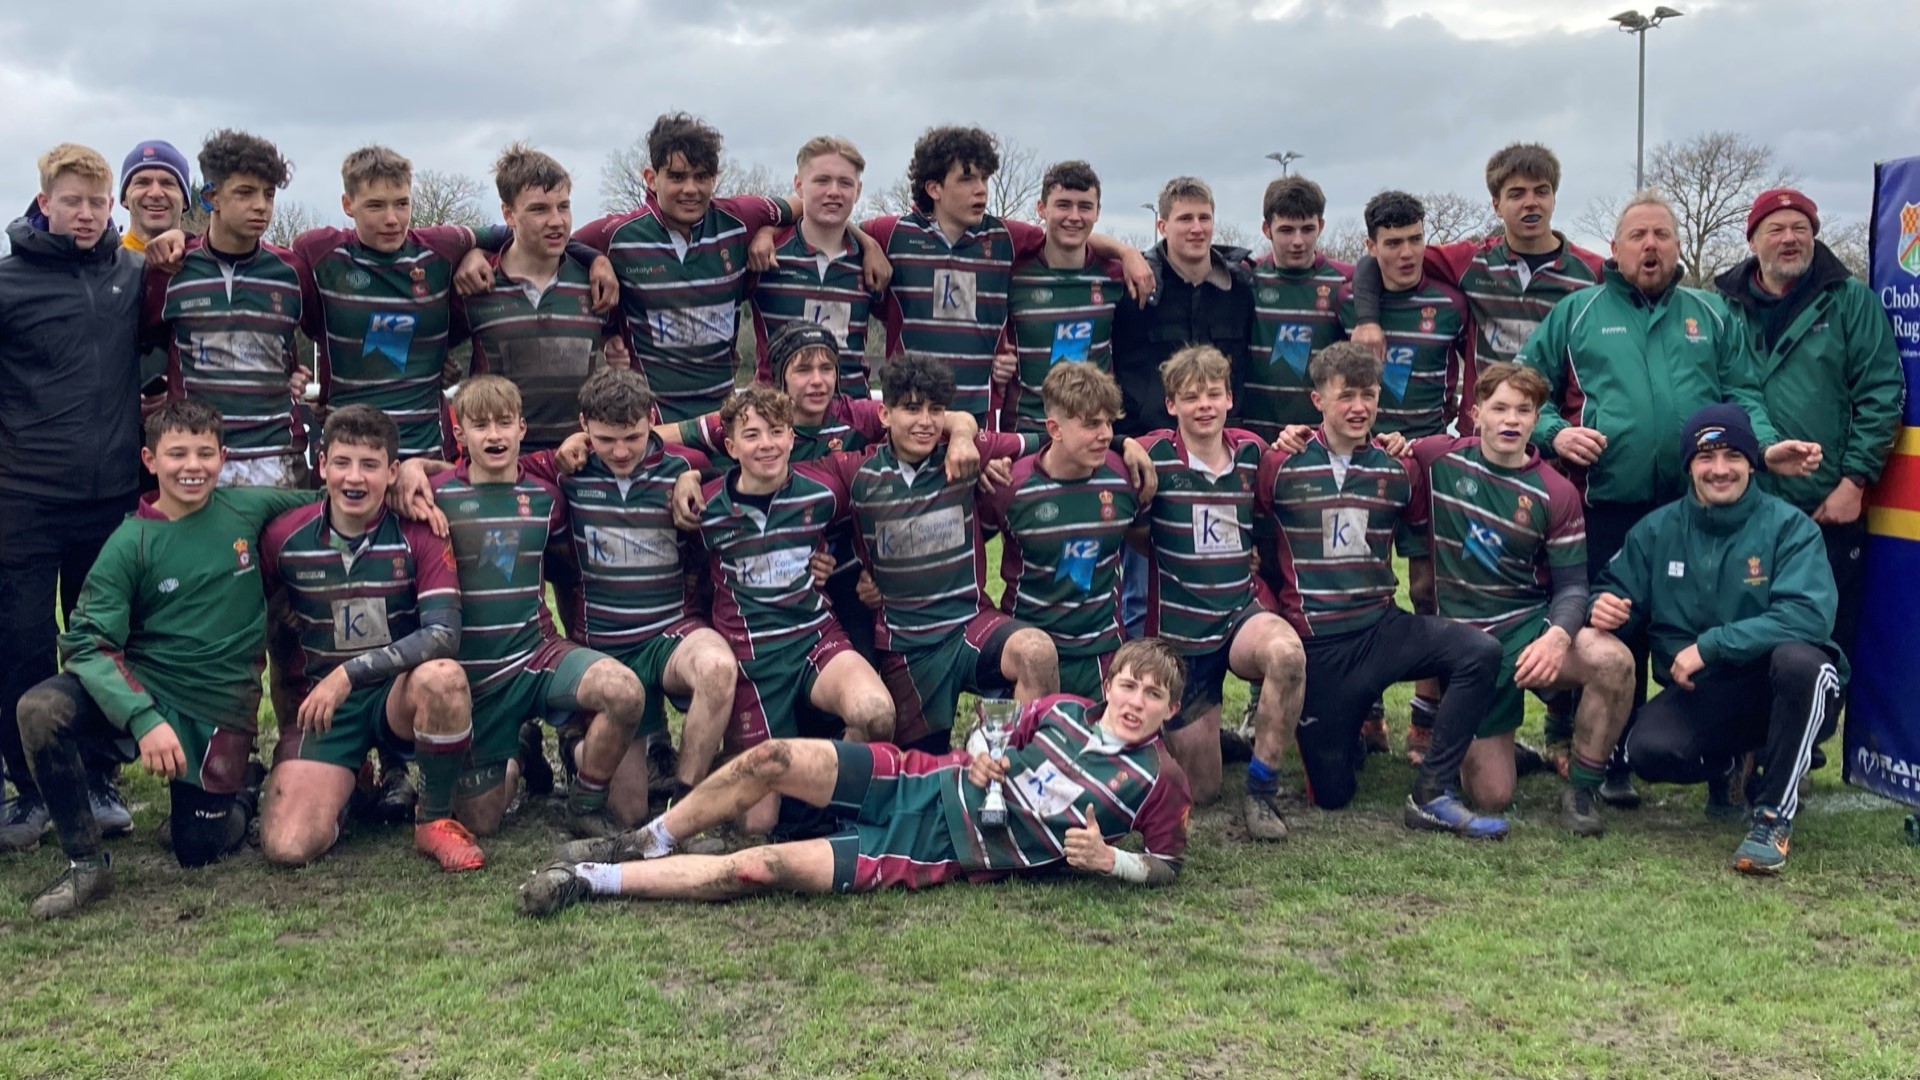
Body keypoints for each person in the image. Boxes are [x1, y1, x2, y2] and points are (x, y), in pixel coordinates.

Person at [1518, 190, 1824, 805]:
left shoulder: (1710, 314)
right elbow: (1526, 389)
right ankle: (1611, 758)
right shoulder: (1577, 312)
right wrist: (1555, 432)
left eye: (1662, 235)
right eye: (1638, 236)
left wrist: (1763, 451)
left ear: (1679, 245)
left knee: (1720, 619)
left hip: (1699, 508)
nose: (1650, 246)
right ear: (1615, 248)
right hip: (1611, 501)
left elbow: (1744, 395)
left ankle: (1732, 750)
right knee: (1615, 626)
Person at [515, 637, 1193, 914]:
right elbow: (995, 729)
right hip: (919, 779)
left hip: (934, 847)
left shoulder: (1159, 780)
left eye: (1152, 697)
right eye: (1129, 686)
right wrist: (985, 749)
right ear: (1108, 683)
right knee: (771, 758)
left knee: (759, 867)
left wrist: (1112, 862)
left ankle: (590, 881)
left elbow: (1166, 861)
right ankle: (642, 841)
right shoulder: (1063, 709)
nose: (1135, 703)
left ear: (1170, 709)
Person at [1352, 143, 1605, 769]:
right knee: (1437, 581)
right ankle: (1423, 716)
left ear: (1554, 196)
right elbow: (1374, 258)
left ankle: (1562, 729)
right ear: (1495, 203)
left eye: (1540, 191)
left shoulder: (1591, 272)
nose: (1529, 203)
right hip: (1477, 444)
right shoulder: (1469, 263)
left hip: (1553, 445)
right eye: (1516, 193)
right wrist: (1366, 318)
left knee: (1544, 578)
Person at [15, 400, 319, 917]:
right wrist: (142, 717)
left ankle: (243, 785)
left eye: (204, 453)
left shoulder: (248, 508)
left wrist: (415, 478)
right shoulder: (131, 541)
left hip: (218, 706)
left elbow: (334, 495)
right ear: (149, 459)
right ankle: (86, 863)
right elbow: (85, 641)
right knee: (40, 710)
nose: (192, 466)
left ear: (223, 458)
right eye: (176, 453)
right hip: (146, 692)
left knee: (196, 849)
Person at [1252, 342, 1506, 839]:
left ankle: (1433, 792)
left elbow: (1417, 545)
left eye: (1368, 395)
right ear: (1317, 399)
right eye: (1345, 395)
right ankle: (1345, 739)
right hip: (1320, 648)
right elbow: (1255, 548)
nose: (1358, 407)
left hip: (1383, 628)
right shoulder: (1279, 466)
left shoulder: (1399, 469)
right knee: (1332, 797)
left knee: (1479, 651)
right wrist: (1274, 615)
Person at [1593, 404, 1845, 875]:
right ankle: (1734, 764)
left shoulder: (1790, 527)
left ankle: (1772, 816)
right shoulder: (1657, 529)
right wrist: (1602, 603)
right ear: (1688, 465)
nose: (1720, 469)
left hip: (1785, 686)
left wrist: (1711, 645)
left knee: (1799, 662)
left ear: (1753, 461)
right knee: (1649, 750)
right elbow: (1614, 586)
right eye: (1706, 457)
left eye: (1732, 455)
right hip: (1707, 691)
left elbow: (1809, 616)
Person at [403, 376, 647, 852]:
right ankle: (518, 748)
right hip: (476, 676)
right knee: (483, 820)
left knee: (625, 692)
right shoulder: (429, 496)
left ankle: (584, 803)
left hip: (537, 655)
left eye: (503, 423)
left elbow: (567, 566)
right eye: (479, 425)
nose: (493, 435)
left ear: (521, 428)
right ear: (459, 435)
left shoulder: (547, 497)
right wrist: (409, 466)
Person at [0, 144, 162, 853]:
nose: (88, 214)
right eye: (74, 201)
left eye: (99, 202)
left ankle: (98, 780)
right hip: (24, 498)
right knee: (21, 647)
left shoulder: (132, 272)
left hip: (111, 498)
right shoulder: (6, 284)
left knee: (102, 644)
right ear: (45, 202)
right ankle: (32, 790)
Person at [1408, 363, 1636, 835]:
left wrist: (1556, 639)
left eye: (1524, 410)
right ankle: (1492, 743)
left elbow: (1573, 585)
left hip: (1526, 627)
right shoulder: (1436, 459)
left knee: (1613, 661)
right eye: (1500, 408)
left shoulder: (1556, 492)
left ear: (1537, 420)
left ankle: (1584, 788)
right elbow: (1373, 451)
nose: (1511, 420)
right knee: (1494, 795)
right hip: (1464, 644)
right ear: (1475, 414)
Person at [666, 385, 898, 833]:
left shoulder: (824, 488)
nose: (767, 444)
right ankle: (720, 770)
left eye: (776, 431)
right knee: (757, 825)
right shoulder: (704, 508)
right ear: (730, 446)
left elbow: (889, 479)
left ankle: (828, 802)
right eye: (751, 435)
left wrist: (868, 572)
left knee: (876, 714)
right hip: (752, 658)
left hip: (816, 638)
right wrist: (685, 474)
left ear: (793, 436)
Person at [256, 405, 475, 870]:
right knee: (288, 846)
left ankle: (432, 821)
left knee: (444, 678)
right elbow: (268, 630)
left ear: (393, 471)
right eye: (342, 462)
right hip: (327, 708)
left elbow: (442, 635)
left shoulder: (422, 529)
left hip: (397, 694)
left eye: (370, 465)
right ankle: (350, 782)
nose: (354, 478)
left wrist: (348, 674)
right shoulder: (284, 538)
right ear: (322, 464)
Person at [1713, 188, 1901, 711]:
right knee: (1741, 624)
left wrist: (1854, 481)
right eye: (1776, 228)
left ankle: (1806, 743)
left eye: (1801, 227)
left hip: (1826, 505)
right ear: (1752, 239)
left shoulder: (1850, 301)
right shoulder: (1722, 308)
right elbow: (1725, 390)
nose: (1790, 238)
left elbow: (1882, 393)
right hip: (1746, 502)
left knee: (1823, 632)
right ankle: (1744, 743)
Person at [537, 369, 739, 805]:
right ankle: (577, 746)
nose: (621, 450)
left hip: (670, 635)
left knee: (718, 668)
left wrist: (694, 476)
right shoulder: (566, 474)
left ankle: (687, 801)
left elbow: (745, 466)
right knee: (626, 810)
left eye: (632, 436)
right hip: (606, 649)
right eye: (607, 439)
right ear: (584, 425)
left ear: (651, 418)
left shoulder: (681, 467)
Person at [841, 353, 1056, 752]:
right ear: (884, 415)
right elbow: (794, 494)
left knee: (1036, 652)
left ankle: (1016, 777)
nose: (925, 421)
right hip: (907, 647)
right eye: (911, 409)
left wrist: (1122, 443)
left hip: (970, 627)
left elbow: (1048, 439)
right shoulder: (856, 473)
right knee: (923, 769)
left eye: (935, 409)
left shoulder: (966, 454)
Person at [863, 125, 1150, 424]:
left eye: (985, 178)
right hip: (910, 409)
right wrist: (867, 243)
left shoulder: (1005, 237)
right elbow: (828, 220)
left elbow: (1066, 233)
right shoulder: (892, 233)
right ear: (934, 188)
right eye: (967, 179)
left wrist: (1126, 251)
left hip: (977, 413)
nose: (981, 189)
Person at [576, 113, 852, 423]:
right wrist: (597, 265)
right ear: (652, 178)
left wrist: (767, 231)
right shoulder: (616, 235)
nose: (691, 189)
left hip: (721, 420)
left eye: (701, 176)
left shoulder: (739, 218)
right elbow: (562, 250)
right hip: (651, 421)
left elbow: (809, 204)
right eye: (677, 177)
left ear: (714, 178)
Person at [1134, 346, 1306, 816]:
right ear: (1172, 405)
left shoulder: (1252, 450)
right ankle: (1204, 737)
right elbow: (1107, 453)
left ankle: (1263, 789)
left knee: (1287, 655)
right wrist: (1124, 445)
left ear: (1230, 398)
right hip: (1181, 635)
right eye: (1191, 397)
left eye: (1214, 393)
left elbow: (1291, 490)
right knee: (1202, 790)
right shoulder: (1153, 455)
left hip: (1238, 613)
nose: (1204, 405)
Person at [1110, 176, 1256, 639]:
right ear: (1161, 224)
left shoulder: (1239, 287)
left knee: (1221, 580)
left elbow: (1245, 365)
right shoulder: (1136, 285)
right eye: (1185, 218)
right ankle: (1137, 696)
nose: (1196, 228)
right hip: (1148, 452)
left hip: (1217, 455)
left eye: (1204, 218)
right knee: (1141, 588)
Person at [149, 129, 308, 489]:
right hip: (198, 457)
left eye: (269, 194)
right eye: (245, 192)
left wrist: (309, 377)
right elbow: (143, 345)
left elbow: (325, 335)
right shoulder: (171, 269)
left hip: (278, 455)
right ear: (211, 197)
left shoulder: (292, 271)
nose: (261, 206)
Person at [983, 363, 1151, 699]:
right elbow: (967, 556)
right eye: (1091, 425)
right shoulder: (1008, 485)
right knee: (1025, 750)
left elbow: (1149, 543)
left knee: (1135, 752)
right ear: (1054, 429)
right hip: (1031, 652)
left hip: (1103, 652)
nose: (1105, 434)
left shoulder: (1126, 477)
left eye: (1109, 422)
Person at [461, 143, 620, 452]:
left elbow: (622, 347)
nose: (556, 220)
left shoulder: (599, 281)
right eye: (539, 209)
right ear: (508, 213)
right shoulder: (475, 283)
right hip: (501, 461)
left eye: (563, 206)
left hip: (580, 456)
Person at [998, 159, 1124, 435]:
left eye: (1085, 207)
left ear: (1098, 212)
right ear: (1041, 209)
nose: (1074, 216)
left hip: (1093, 432)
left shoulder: (1118, 277)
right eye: (1063, 205)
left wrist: (1129, 253)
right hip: (1028, 432)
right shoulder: (1013, 275)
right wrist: (993, 361)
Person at [749, 136, 879, 397]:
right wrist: (765, 231)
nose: (834, 191)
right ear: (798, 185)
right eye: (822, 181)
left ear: (858, 191)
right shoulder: (764, 251)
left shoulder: (873, 260)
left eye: (845, 183)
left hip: (850, 418)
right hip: (777, 418)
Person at [1245, 175, 1351, 441]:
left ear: (1321, 225)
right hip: (1255, 438)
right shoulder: (1246, 279)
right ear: (1266, 229)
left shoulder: (1347, 282)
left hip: (1318, 440)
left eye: (1307, 229)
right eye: (1286, 230)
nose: (1298, 241)